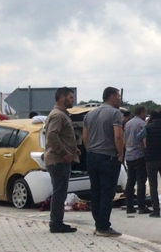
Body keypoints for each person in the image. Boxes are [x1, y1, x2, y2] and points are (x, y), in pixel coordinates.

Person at [83, 87, 126, 237]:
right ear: (112, 97)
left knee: (96, 192)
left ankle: (98, 224)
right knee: (107, 193)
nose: (120, 99)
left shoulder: (90, 114)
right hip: (108, 157)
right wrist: (120, 154)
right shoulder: (115, 113)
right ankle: (103, 227)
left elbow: (85, 137)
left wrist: (90, 151)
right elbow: (118, 136)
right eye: (118, 96)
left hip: (92, 156)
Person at [43, 87, 78, 233]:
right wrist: (64, 152)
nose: (73, 100)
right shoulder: (58, 115)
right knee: (59, 193)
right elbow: (52, 136)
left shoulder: (61, 114)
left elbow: (62, 136)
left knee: (61, 192)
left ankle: (57, 222)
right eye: (70, 97)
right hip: (58, 160)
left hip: (59, 159)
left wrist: (73, 149)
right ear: (62, 98)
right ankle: (56, 223)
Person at [123, 106, 150, 216]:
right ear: (142, 112)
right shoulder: (142, 124)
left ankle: (129, 206)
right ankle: (141, 206)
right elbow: (145, 140)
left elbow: (125, 140)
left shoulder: (127, 124)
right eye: (145, 113)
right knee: (141, 181)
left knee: (130, 181)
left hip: (129, 155)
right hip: (139, 155)